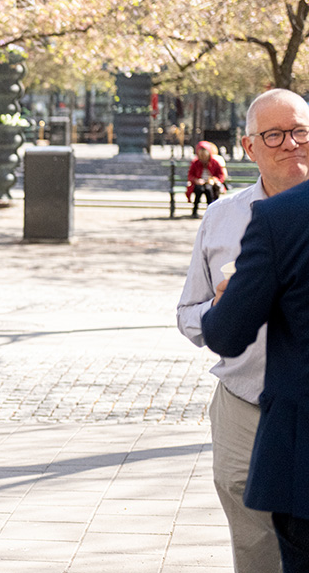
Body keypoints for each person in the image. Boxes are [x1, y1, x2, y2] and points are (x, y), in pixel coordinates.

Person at [177, 88, 309, 573]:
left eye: (300, 131)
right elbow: (189, 315)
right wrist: (222, 308)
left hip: (304, 411)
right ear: (249, 147)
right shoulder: (223, 217)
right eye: (274, 135)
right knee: (256, 550)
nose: (291, 143)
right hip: (245, 406)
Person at [187, 140, 227, 217]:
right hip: (199, 183)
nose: (203, 157)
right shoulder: (195, 163)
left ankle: (210, 210)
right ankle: (195, 210)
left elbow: (221, 176)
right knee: (199, 189)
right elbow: (190, 175)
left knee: (209, 190)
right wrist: (196, 180)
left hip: (211, 183)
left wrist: (214, 180)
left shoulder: (214, 162)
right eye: (201, 155)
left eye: (204, 155)